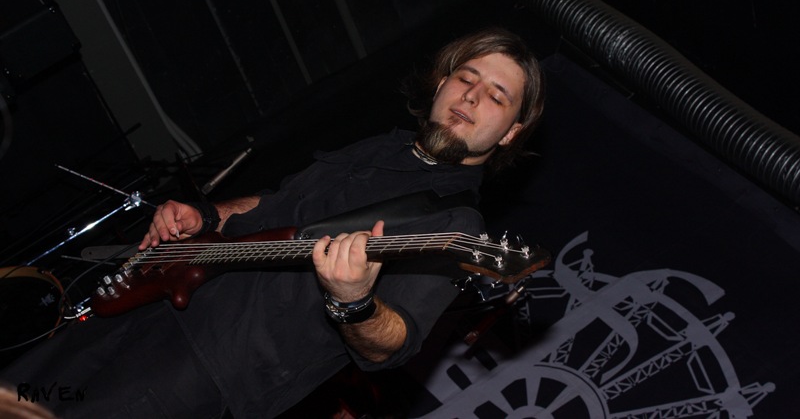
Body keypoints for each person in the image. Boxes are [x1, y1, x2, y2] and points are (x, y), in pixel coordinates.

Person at [1, 27, 544, 418]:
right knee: (17, 396)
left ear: (511, 133)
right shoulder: (385, 146)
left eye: (496, 97)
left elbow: (393, 346)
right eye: (466, 77)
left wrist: (353, 300)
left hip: (210, 365)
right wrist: (205, 214)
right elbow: (278, 203)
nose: (472, 96)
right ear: (442, 83)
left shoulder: (454, 225)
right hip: (159, 297)